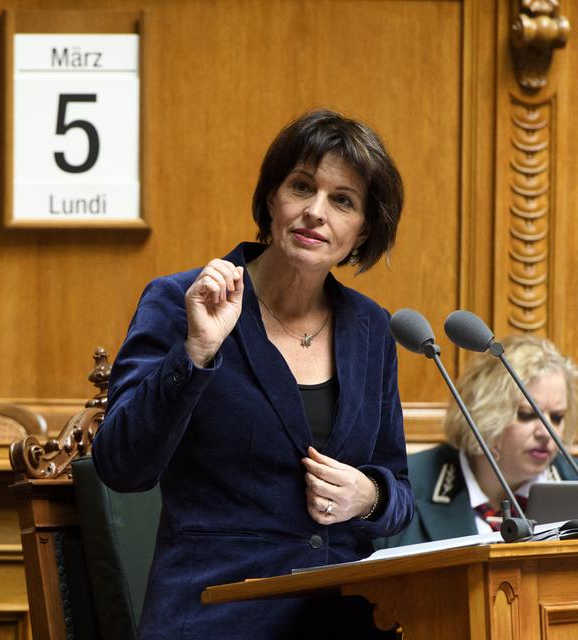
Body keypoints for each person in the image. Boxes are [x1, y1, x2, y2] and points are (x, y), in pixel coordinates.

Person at [91, 109, 414, 639]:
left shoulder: (371, 328)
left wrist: (369, 496)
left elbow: (397, 485)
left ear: (362, 232)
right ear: (271, 199)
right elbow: (123, 466)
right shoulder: (182, 301)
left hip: (346, 617)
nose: (315, 212)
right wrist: (194, 353)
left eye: (342, 200)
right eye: (301, 187)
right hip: (217, 616)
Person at [376, 333, 578, 549]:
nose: (546, 432)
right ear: (484, 412)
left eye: (557, 417)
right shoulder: (402, 486)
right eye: (526, 414)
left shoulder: (572, 480)